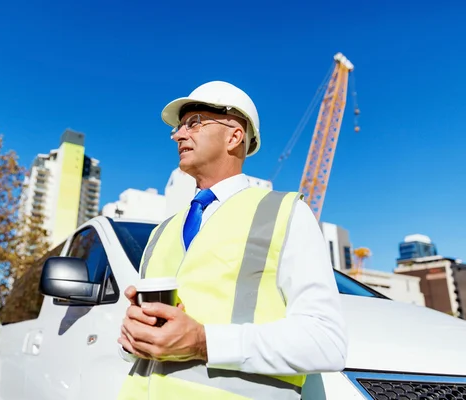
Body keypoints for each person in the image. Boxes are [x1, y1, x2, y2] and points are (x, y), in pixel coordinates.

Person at [116, 81, 348, 399]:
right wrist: (131, 339)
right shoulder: (161, 232)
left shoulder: (284, 213)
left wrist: (204, 342)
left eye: (194, 122)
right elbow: (135, 351)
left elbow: (326, 342)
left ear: (234, 136)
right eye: (179, 128)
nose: (179, 135)